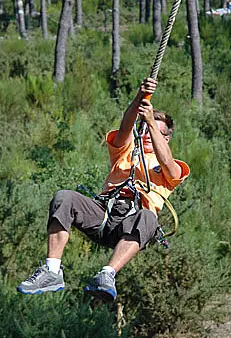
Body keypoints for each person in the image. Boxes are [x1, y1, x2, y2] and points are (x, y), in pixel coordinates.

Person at [17, 78, 190, 301]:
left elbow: (168, 164)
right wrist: (140, 98)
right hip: (104, 213)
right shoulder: (126, 153)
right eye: (145, 129)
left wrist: (149, 121)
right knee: (64, 198)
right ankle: (52, 271)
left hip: (132, 223)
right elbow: (126, 126)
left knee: (149, 218)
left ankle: (107, 275)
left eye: (153, 131)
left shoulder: (171, 168)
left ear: (166, 137)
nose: (146, 133)